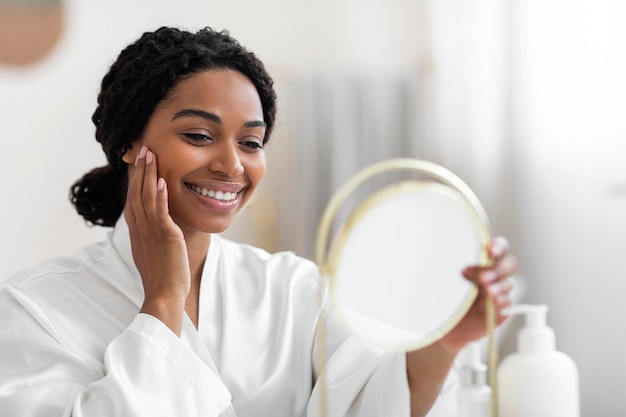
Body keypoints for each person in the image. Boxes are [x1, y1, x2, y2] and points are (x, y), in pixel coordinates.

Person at [0, 27, 517, 417]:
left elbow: (377, 396)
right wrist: (162, 301)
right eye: (200, 135)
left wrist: (446, 340)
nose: (232, 165)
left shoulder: (294, 289)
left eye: (251, 142)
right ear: (130, 146)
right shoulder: (35, 308)